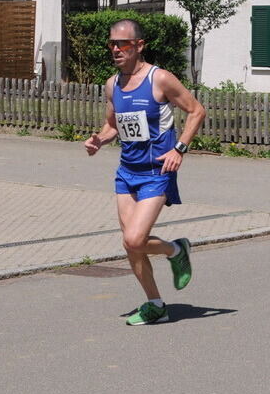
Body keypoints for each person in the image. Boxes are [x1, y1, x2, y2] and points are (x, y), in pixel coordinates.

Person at [84, 19, 206, 326]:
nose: (115, 49)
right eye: (111, 44)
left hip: (156, 172)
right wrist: (99, 139)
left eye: (122, 44)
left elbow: (196, 110)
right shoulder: (113, 84)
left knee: (136, 239)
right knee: (130, 243)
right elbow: (112, 124)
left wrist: (179, 148)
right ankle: (156, 304)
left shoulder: (159, 79)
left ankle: (176, 250)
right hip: (127, 172)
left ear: (139, 46)